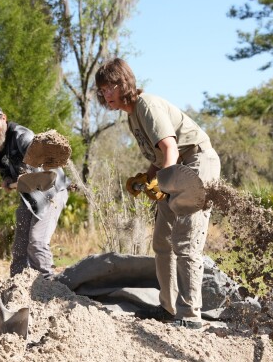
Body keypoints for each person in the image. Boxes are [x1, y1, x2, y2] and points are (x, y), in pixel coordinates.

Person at [94, 58, 221, 329]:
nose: (106, 95)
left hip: (197, 164)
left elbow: (171, 149)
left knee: (186, 241)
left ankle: (190, 315)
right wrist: (147, 177)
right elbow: (159, 155)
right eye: (102, 90)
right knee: (163, 242)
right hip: (176, 168)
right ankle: (168, 307)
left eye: (110, 87)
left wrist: (163, 182)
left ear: (124, 84)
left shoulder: (146, 105)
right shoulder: (131, 115)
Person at [0, 102, 69, 278]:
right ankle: (17, 286)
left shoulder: (21, 135)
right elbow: (5, 171)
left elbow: (40, 164)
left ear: (3, 118)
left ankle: (47, 286)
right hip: (29, 196)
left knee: (37, 241)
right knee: (20, 245)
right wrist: (7, 180)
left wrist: (27, 174)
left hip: (52, 190)